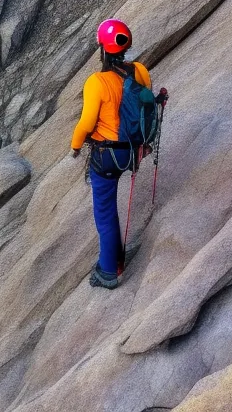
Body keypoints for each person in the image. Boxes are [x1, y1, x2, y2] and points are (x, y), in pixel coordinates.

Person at [70, 18, 152, 289]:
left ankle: (109, 271)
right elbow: (145, 108)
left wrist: (75, 146)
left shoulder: (97, 82)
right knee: (108, 209)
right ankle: (114, 255)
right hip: (133, 152)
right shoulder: (139, 70)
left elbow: (86, 123)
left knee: (105, 213)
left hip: (106, 157)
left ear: (102, 49)